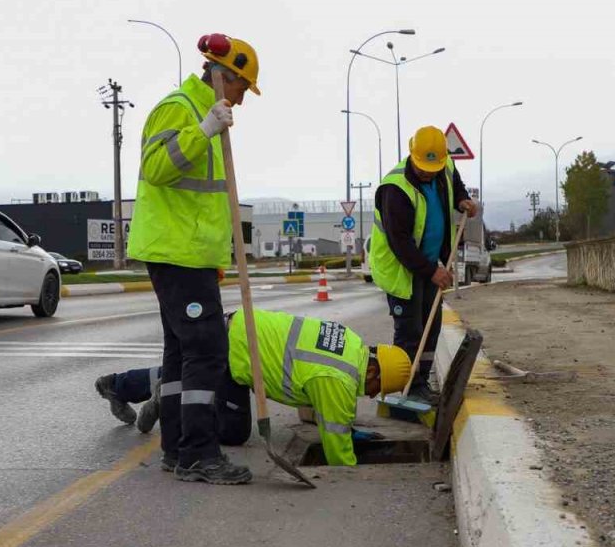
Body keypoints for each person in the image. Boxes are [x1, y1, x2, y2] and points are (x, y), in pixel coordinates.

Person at [94, 33, 260, 485]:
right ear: (224, 76)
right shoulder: (180, 109)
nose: (243, 101)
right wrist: (204, 129)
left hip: (191, 256)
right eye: (243, 88)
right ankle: (199, 454)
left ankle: (175, 448)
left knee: (180, 355)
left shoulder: (206, 113)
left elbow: (203, 202)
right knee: (206, 350)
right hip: (176, 253)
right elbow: (157, 168)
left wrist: (216, 257)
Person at [98, 308, 412, 467]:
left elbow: (311, 399)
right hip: (235, 353)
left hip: (238, 327)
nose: (371, 395)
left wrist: (344, 426)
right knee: (233, 433)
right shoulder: (339, 379)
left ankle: (118, 385)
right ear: (373, 369)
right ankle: (168, 392)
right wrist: (350, 458)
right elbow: (338, 452)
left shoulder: (351, 343)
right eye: (376, 387)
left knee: (188, 370)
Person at [366, 126, 477, 402]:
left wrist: (463, 200)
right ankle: (403, 386)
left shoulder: (444, 165)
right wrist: (432, 271)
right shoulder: (395, 189)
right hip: (401, 268)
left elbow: (455, 184)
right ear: (411, 155)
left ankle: (421, 382)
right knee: (410, 331)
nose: (429, 172)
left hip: (429, 264)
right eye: (423, 167)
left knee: (432, 324)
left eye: (434, 166)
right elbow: (400, 242)